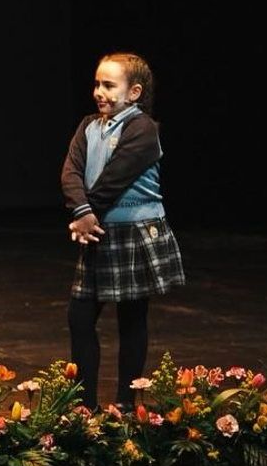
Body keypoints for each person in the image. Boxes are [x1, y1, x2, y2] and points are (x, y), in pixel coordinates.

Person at [61, 52, 183, 408]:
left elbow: (116, 176)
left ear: (133, 93)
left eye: (109, 85)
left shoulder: (143, 129)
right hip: (97, 229)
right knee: (79, 317)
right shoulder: (88, 126)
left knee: (131, 319)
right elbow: (70, 171)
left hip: (132, 232)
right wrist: (81, 210)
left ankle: (126, 405)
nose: (99, 91)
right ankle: (85, 405)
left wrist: (88, 214)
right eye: (97, 83)